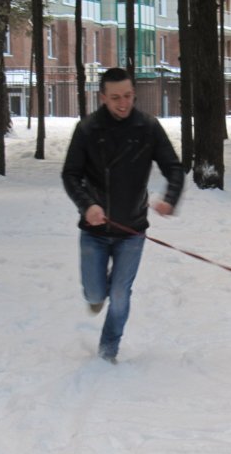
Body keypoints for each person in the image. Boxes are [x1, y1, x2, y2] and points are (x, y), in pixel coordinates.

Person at [62, 67, 184, 363]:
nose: (123, 103)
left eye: (128, 95)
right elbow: (70, 174)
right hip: (94, 230)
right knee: (94, 294)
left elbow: (174, 168)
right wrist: (87, 205)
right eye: (115, 97)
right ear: (102, 97)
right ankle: (96, 292)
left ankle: (108, 351)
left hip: (131, 230)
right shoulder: (88, 129)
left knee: (120, 294)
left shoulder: (148, 127)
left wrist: (170, 198)